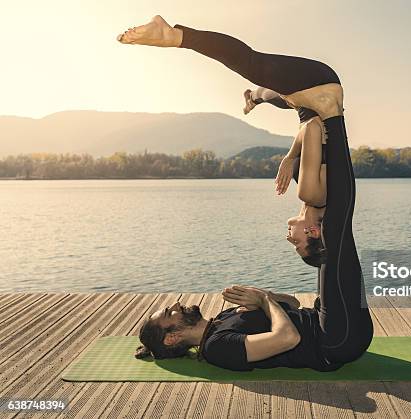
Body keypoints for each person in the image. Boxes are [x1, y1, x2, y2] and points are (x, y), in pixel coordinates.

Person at [121, 15, 372, 370]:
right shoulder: (217, 348)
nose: (175, 307)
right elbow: (287, 339)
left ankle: (284, 102)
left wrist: (266, 299)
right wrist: (263, 301)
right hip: (336, 340)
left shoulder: (222, 319)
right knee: (336, 229)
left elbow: (289, 305)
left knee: (306, 112)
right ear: (172, 337)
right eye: (168, 316)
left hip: (327, 320)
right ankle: (180, 39)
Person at [244, 86, 328, 266]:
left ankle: (253, 98)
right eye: (296, 243)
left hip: (306, 104)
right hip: (313, 96)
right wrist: (289, 158)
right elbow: (311, 127)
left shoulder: (319, 200)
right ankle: (253, 97)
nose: (288, 238)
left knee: (282, 97)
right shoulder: (311, 195)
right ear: (313, 232)